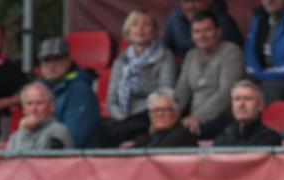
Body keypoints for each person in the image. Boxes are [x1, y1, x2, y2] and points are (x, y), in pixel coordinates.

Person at [103, 10, 177, 147]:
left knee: (126, 130)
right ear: (128, 30)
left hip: (149, 113)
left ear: (154, 31)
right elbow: (111, 98)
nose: (140, 29)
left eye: (146, 24)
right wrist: (120, 115)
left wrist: (131, 116)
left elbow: (165, 92)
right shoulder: (121, 60)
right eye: (135, 24)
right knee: (102, 129)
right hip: (122, 115)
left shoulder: (165, 56)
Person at [175, 10, 245, 139]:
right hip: (194, 118)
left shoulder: (231, 52)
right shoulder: (191, 55)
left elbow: (226, 92)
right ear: (191, 36)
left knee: (181, 136)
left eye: (207, 30)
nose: (202, 35)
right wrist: (171, 114)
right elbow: (181, 91)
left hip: (224, 118)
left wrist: (198, 117)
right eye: (197, 31)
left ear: (218, 32)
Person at [37, 37, 101, 149]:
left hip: (73, 160)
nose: (51, 65)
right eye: (46, 60)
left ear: (68, 61)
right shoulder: (38, 89)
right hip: (45, 154)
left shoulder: (81, 90)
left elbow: (74, 138)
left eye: (57, 59)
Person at [162, 0, 244, 59]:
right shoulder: (176, 18)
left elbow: (235, 57)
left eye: (196, 1)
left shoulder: (224, 23)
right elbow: (164, 50)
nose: (190, 6)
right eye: (186, 1)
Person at [213, 80, 283, 146]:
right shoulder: (223, 137)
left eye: (247, 99)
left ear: (260, 105)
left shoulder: (270, 138)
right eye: (237, 99)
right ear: (232, 106)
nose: (241, 104)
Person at [7, 82, 73, 151]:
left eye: (39, 103)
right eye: (29, 103)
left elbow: (31, 161)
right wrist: (23, 132)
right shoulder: (16, 135)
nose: (34, 109)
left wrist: (24, 132)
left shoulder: (59, 132)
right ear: (24, 109)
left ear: (51, 106)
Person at [131, 89, 198, 148]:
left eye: (165, 110)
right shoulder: (146, 139)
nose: (159, 114)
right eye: (155, 110)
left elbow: (155, 154)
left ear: (177, 113)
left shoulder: (182, 135)